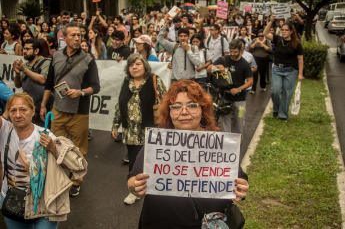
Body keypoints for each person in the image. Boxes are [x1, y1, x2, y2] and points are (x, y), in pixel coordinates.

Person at [127, 80, 249, 228]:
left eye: (192, 105)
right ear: (169, 112)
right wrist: (136, 187)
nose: (184, 112)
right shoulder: (157, 143)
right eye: (176, 107)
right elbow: (132, 179)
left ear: (202, 110)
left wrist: (241, 188)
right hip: (160, 222)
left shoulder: (218, 143)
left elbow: (239, 178)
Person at [0, 93, 87, 228]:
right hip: (12, 198)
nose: (18, 115)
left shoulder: (45, 135)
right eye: (13, 110)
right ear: (8, 113)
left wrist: (53, 148)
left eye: (23, 110)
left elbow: (77, 167)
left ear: (33, 111)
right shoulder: (5, 130)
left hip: (43, 201)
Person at [40, 22, 100, 196]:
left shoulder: (88, 59)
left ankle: (76, 180)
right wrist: (44, 105)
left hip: (79, 112)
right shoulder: (56, 57)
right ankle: (57, 178)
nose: (76, 38)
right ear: (63, 38)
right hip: (58, 109)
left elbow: (96, 87)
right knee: (54, 146)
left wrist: (80, 92)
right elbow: (49, 84)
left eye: (79, 35)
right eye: (72, 35)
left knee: (78, 149)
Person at [111, 54, 166, 204]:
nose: (134, 67)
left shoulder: (155, 80)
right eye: (131, 65)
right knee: (134, 161)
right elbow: (119, 105)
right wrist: (115, 124)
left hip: (150, 130)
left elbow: (166, 104)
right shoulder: (126, 82)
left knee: (153, 160)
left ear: (145, 66)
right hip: (130, 131)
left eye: (137, 64)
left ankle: (156, 188)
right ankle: (135, 191)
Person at [207, 39, 253, 136]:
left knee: (239, 121)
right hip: (225, 97)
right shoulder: (224, 59)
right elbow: (208, 69)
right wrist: (218, 67)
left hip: (240, 99)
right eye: (231, 51)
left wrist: (239, 89)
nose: (232, 54)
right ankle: (226, 142)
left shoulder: (244, 64)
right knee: (225, 122)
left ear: (241, 50)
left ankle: (238, 143)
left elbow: (250, 81)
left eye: (235, 52)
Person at [263, 15, 304, 121]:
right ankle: (276, 109)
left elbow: (300, 59)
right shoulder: (278, 39)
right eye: (282, 30)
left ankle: (283, 114)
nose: (284, 32)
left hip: (291, 71)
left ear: (291, 31)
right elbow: (265, 33)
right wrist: (271, 21)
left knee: (287, 93)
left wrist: (300, 74)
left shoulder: (296, 43)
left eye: (286, 30)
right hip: (277, 69)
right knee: (275, 91)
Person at [13, 39, 52, 127]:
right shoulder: (25, 65)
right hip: (27, 106)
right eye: (24, 49)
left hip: (41, 105)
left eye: (27, 49)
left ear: (36, 51)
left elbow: (42, 80)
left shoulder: (46, 62)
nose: (24, 51)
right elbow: (18, 85)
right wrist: (18, 74)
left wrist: (24, 70)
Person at [158, 15, 201, 81]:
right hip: (176, 81)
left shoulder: (193, 48)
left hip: (189, 81)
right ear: (178, 37)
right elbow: (160, 39)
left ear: (189, 37)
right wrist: (165, 25)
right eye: (181, 36)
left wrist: (188, 50)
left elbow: (198, 63)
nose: (183, 38)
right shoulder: (174, 46)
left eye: (185, 36)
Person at [249, 29, 272, 93]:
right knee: (254, 74)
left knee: (262, 74)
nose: (260, 37)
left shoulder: (267, 41)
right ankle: (253, 89)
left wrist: (263, 45)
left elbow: (270, 50)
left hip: (264, 59)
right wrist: (255, 43)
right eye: (259, 36)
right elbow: (250, 48)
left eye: (262, 36)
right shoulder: (254, 40)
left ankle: (263, 86)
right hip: (255, 58)